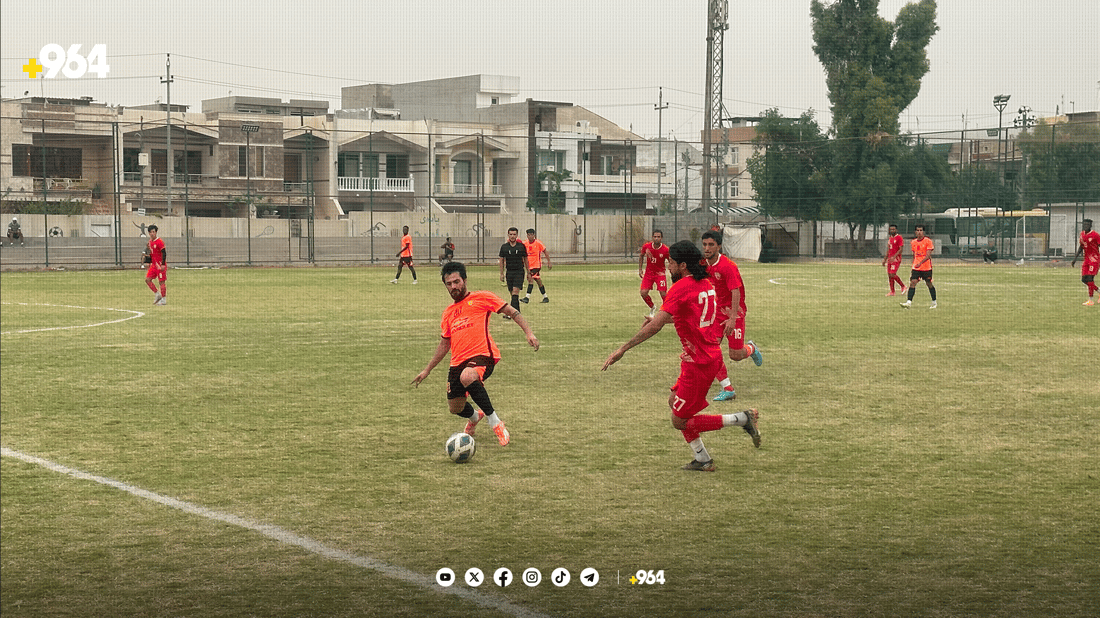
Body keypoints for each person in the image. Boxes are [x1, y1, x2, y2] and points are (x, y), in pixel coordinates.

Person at [603, 240, 761, 472]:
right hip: (705, 357)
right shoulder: (705, 282)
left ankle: (743, 418)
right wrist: (666, 318)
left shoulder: (681, 287)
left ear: (683, 265)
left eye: (672, 263)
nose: (668, 266)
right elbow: (690, 315)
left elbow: (654, 327)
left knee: (679, 420)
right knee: (674, 402)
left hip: (699, 362)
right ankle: (703, 459)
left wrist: (622, 349)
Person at [412, 261, 539, 447]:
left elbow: (512, 312)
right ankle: (474, 416)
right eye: (449, 284)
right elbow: (445, 343)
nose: (454, 286)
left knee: (468, 376)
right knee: (455, 408)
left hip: (482, 356)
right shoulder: (448, 313)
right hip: (457, 362)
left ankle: (495, 422)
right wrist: (427, 370)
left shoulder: (482, 297)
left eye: (457, 281)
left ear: (464, 280)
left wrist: (529, 332)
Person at [700, 230, 763, 402]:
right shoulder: (702, 264)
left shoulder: (728, 266)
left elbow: (735, 291)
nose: (707, 248)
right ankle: (728, 388)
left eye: (711, 244)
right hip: (715, 313)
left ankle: (751, 349)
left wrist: (733, 318)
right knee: (710, 350)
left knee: (735, 355)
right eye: (704, 244)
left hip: (734, 312)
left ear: (719, 246)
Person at [901, 224, 936, 309]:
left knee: (929, 284)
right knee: (913, 283)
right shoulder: (913, 242)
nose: (919, 232)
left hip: (926, 267)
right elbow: (914, 254)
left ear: (923, 232)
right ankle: (908, 302)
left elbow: (928, 255)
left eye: (921, 230)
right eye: (917, 230)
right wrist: (914, 264)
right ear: (915, 232)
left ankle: (934, 302)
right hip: (916, 267)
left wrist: (920, 263)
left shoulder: (928, 241)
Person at [638, 230, 670, 317]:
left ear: (661, 238)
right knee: (643, 293)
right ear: (652, 237)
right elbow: (641, 256)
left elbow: (670, 261)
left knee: (663, 294)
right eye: (655, 236)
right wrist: (640, 269)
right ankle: (652, 307)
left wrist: (672, 271)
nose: (656, 238)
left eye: (658, 237)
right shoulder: (647, 247)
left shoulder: (665, 249)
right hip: (649, 273)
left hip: (660, 274)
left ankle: (667, 311)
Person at [498, 227, 530, 315]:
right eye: (511, 234)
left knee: (515, 292)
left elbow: (526, 259)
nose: (512, 236)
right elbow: (501, 260)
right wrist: (501, 273)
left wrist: (528, 272)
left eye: (514, 234)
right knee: (513, 294)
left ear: (517, 235)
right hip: (509, 272)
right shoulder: (504, 247)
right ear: (508, 235)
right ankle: (517, 312)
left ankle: (510, 314)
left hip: (519, 272)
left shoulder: (521, 246)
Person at [1071, 218, 1100, 306]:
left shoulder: (1095, 235)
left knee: (1090, 279)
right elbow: (1081, 247)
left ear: (1091, 225)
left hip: (1094, 260)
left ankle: (1091, 300)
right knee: (1084, 280)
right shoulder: (1082, 234)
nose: (1085, 226)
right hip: (1086, 260)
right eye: (1084, 224)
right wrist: (1075, 259)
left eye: (1087, 224)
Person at [521, 228, 551, 304]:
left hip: (536, 266)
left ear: (534, 235)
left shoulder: (538, 243)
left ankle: (527, 298)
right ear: (527, 235)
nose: (530, 236)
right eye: (529, 235)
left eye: (532, 235)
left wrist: (549, 262)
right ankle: (545, 297)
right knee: (538, 281)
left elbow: (545, 251)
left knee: (530, 279)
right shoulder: (524, 244)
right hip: (528, 266)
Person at [144, 224, 167, 305]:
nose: (152, 233)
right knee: (147, 279)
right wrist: (148, 262)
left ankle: (164, 299)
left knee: (161, 282)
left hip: (160, 265)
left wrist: (163, 264)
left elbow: (164, 253)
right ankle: (157, 294)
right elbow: (151, 253)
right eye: (150, 232)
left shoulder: (159, 241)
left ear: (156, 232)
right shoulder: (150, 242)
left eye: (153, 232)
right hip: (153, 265)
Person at [882, 224, 907, 296]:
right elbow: (889, 250)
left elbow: (900, 249)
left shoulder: (899, 237)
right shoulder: (890, 238)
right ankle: (892, 291)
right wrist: (885, 259)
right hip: (890, 259)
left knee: (892, 274)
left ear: (896, 230)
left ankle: (903, 286)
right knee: (889, 275)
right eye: (891, 229)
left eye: (894, 229)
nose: (892, 230)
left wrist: (894, 257)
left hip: (896, 259)